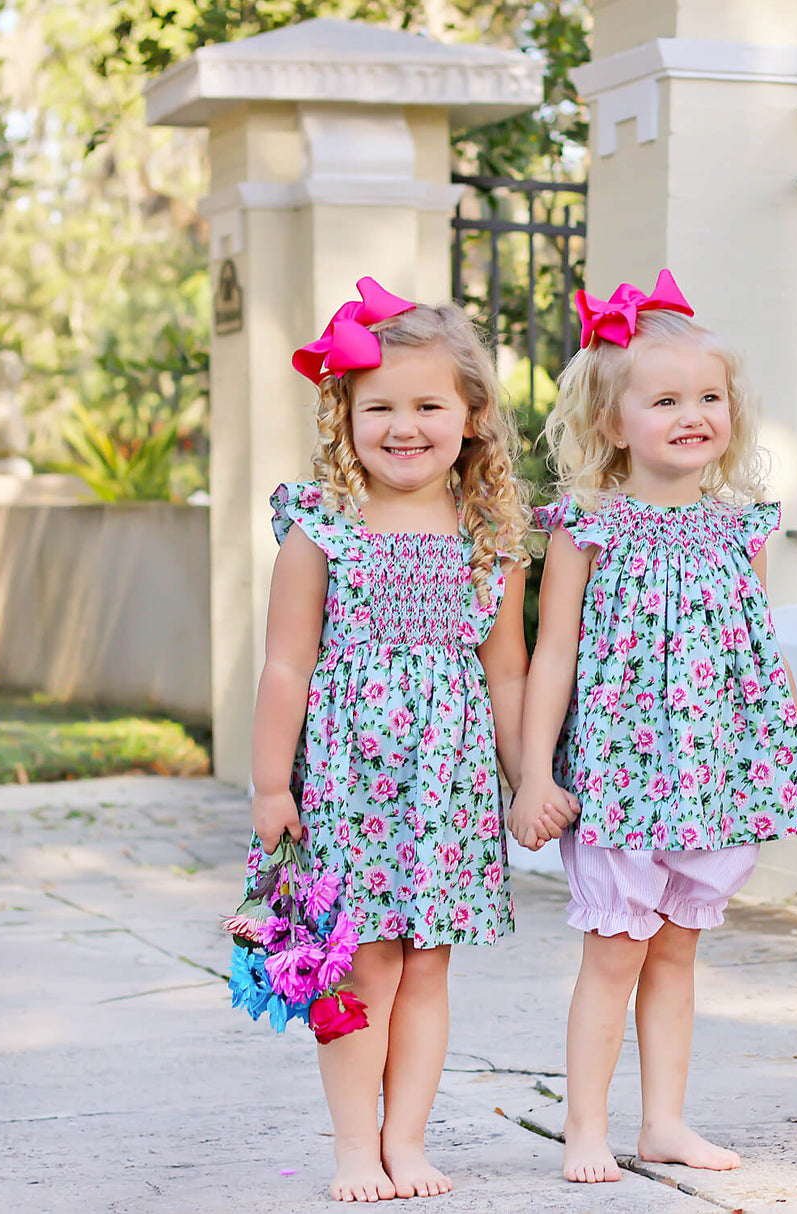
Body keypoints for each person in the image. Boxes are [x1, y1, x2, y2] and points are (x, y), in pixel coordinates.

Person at [509, 270, 797, 1184]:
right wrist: (534, 775)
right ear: (614, 423)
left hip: (710, 780)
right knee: (615, 955)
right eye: (665, 401)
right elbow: (552, 657)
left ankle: (664, 1122)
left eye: (709, 398)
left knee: (678, 953)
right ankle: (584, 1127)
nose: (693, 415)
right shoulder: (588, 528)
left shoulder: (741, 529)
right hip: (619, 780)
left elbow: (762, 654)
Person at [248, 278, 542, 1202]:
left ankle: (406, 1140)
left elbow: (507, 672)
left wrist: (527, 777)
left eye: (427, 406)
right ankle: (353, 1146)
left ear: (471, 416)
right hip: (349, 784)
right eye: (379, 407)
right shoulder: (322, 525)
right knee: (360, 964)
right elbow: (286, 665)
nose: (403, 427)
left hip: (446, 788)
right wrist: (270, 787)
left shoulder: (490, 535)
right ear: (345, 415)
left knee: (425, 967)